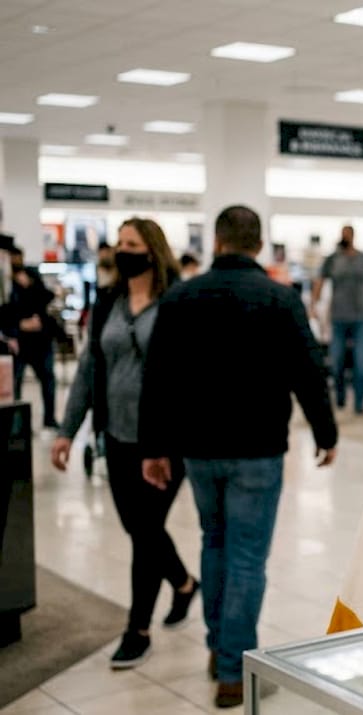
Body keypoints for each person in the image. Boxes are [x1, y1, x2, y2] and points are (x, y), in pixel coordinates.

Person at [138, 205, 337, 709]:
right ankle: (233, 668)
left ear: (217, 242)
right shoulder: (279, 298)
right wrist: (325, 431)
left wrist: (153, 447)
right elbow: (308, 370)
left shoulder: (181, 297)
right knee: (248, 556)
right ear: (257, 244)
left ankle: (217, 649)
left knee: (214, 542)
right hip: (258, 447)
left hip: (198, 449)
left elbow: (156, 378)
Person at [51, 218, 197, 669]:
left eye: (130, 244)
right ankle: (184, 583)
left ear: (152, 251)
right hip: (116, 436)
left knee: (145, 532)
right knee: (140, 529)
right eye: (119, 243)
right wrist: (66, 430)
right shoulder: (108, 300)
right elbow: (90, 370)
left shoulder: (177, 301)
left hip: (165, 440)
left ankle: (138, 629)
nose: (121, 251)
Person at [311, 225, 363, 415]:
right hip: (338, 317)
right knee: (337, 362)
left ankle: (359, 404)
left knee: (360, 363)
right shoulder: (333, 260)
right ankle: (340, 398)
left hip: (361, 316)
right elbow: (319, 282)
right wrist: (313, 306)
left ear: (353, 235)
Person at [2, 248, 60, 428]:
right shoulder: (5, 282)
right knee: (15, 383)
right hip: (18, 341)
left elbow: (46, 297)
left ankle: (49, 418)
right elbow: (5, 311)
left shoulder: (31, 276)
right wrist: (18, 324)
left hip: (40, 341)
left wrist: (30, 285)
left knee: (48, 379)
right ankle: (15, 424)